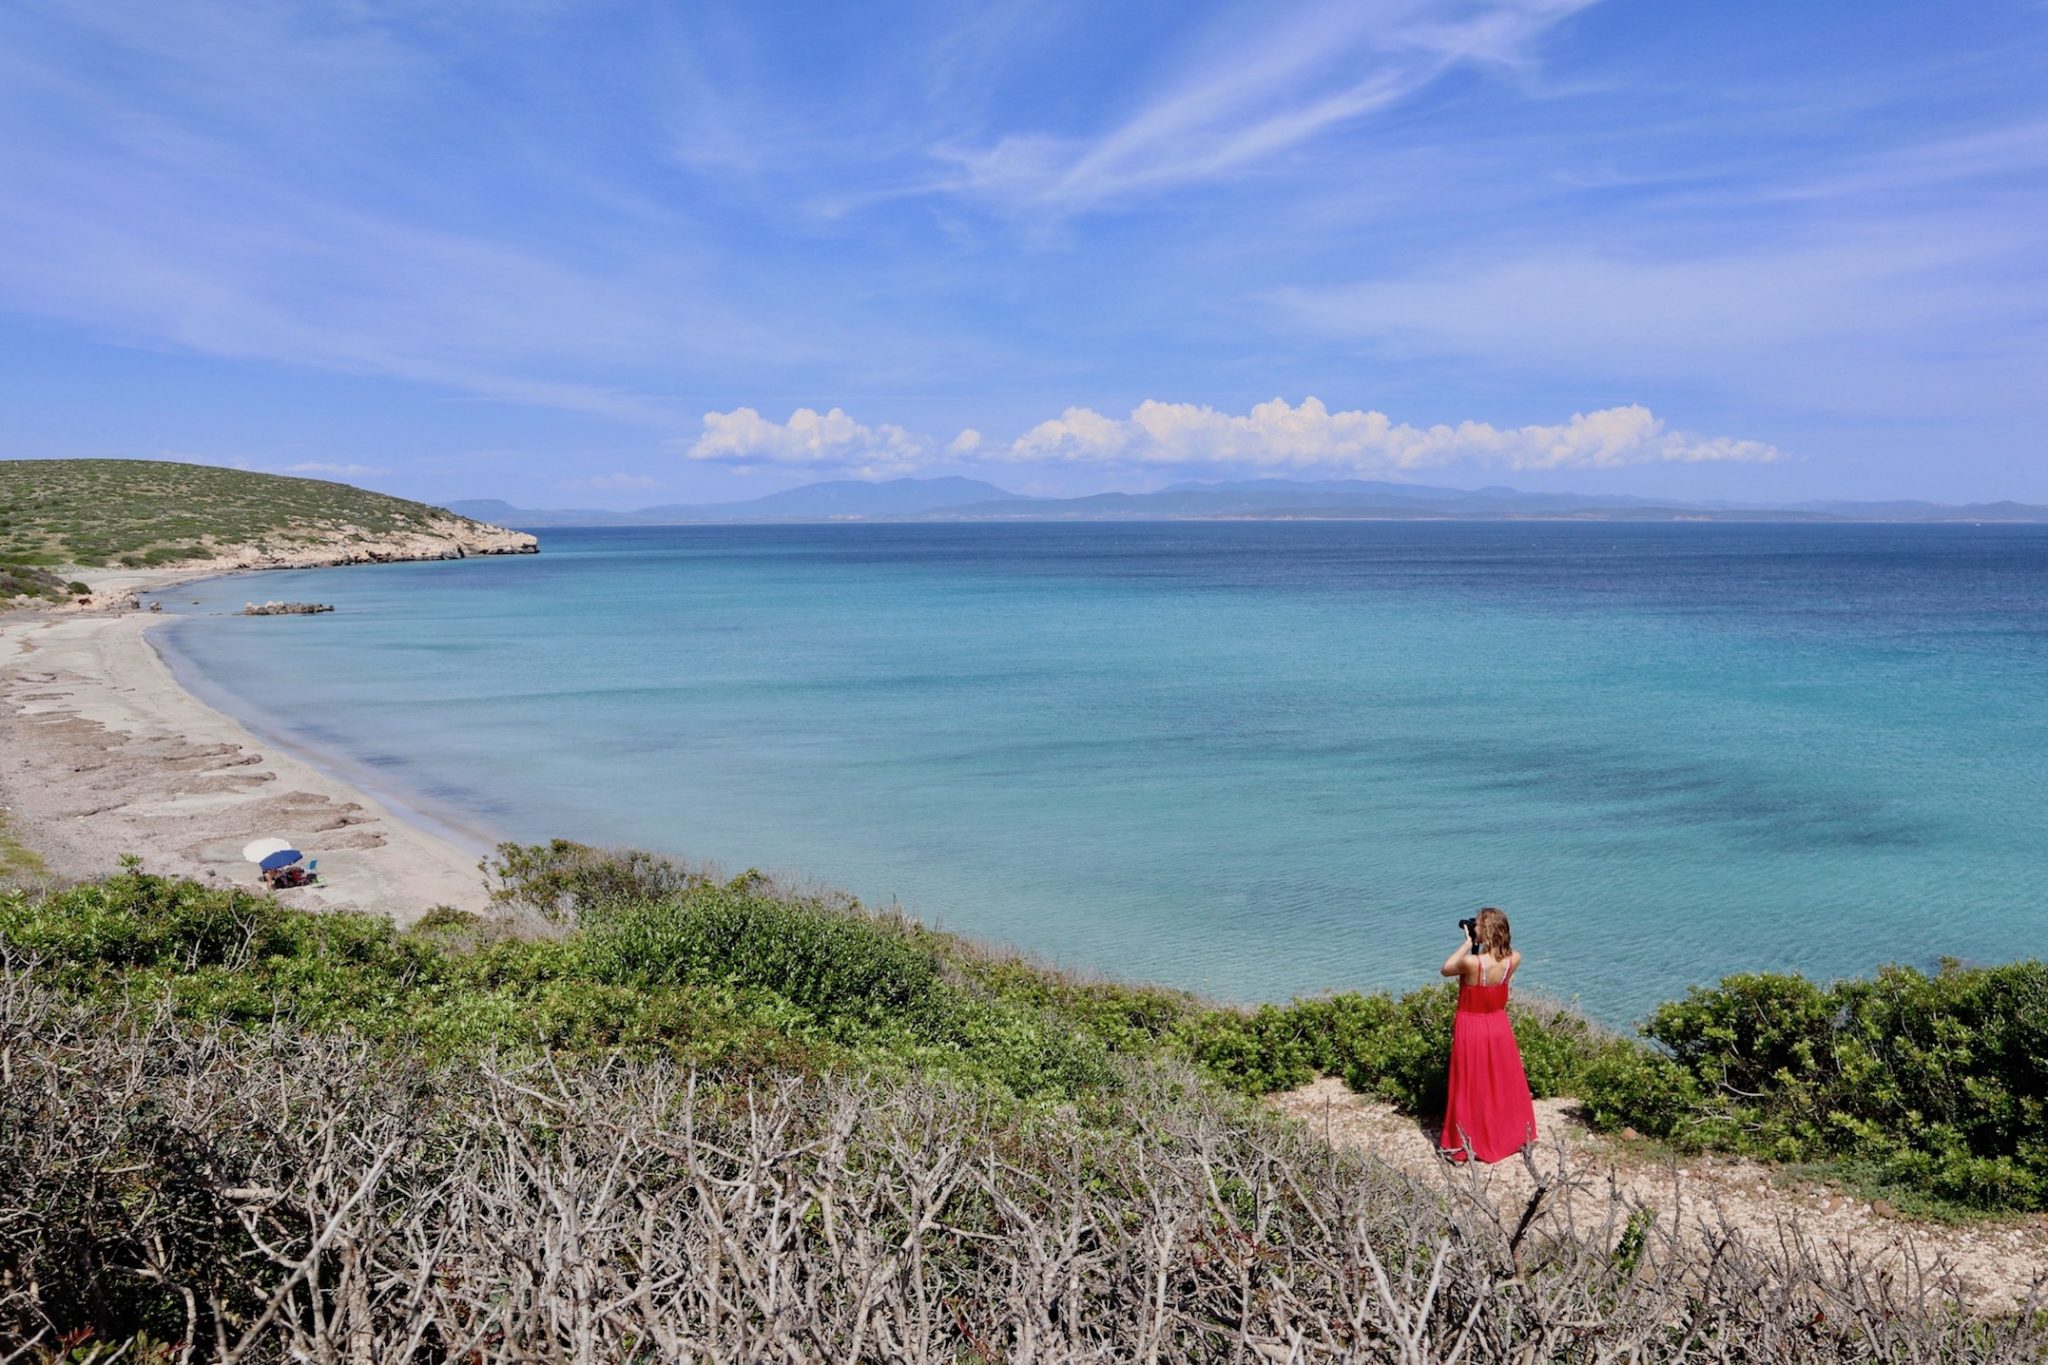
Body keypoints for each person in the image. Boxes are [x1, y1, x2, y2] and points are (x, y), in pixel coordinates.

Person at [1437, 906, 1537, 1163]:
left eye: (1478, 925)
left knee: (1470, 1083)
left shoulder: (1472, 962)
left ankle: (1466, 1140)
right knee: (1499, 1081)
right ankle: (1507, 1135)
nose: (1475, 928)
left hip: (1471, 1025)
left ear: (1488, 930)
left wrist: (1467, 943)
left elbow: (1446, 969)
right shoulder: (1514, 959)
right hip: (1498, 1024)